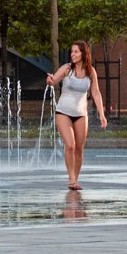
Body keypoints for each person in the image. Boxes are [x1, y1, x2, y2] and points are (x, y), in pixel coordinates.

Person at [46, 41, 107, 191]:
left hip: (81, 114)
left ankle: (76, 178)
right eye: (72, 52)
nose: (72, 54)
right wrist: (49, 81)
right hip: (63, 112)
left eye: (76, 52)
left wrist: (102, 114)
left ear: (83, 54)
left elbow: (96, 93)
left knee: (79, 148)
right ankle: (71, 180)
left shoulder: (91, 71)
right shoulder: (67, 69)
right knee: (70, 145)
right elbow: (53, 81)